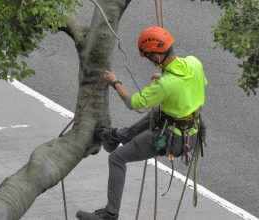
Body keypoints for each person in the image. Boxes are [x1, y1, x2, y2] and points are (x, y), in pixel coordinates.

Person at [76, 26, 207, 220]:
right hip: (191, 132)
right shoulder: (194, 63)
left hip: (172, 138)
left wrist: (114, 81)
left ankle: (110, 214)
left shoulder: (165, 85)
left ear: (156, 56)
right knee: (157, 112)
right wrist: (165, 77)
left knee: (117, 159)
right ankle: (114, 137)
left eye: (149, 58)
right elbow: (195, 83)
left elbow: (133, 103)